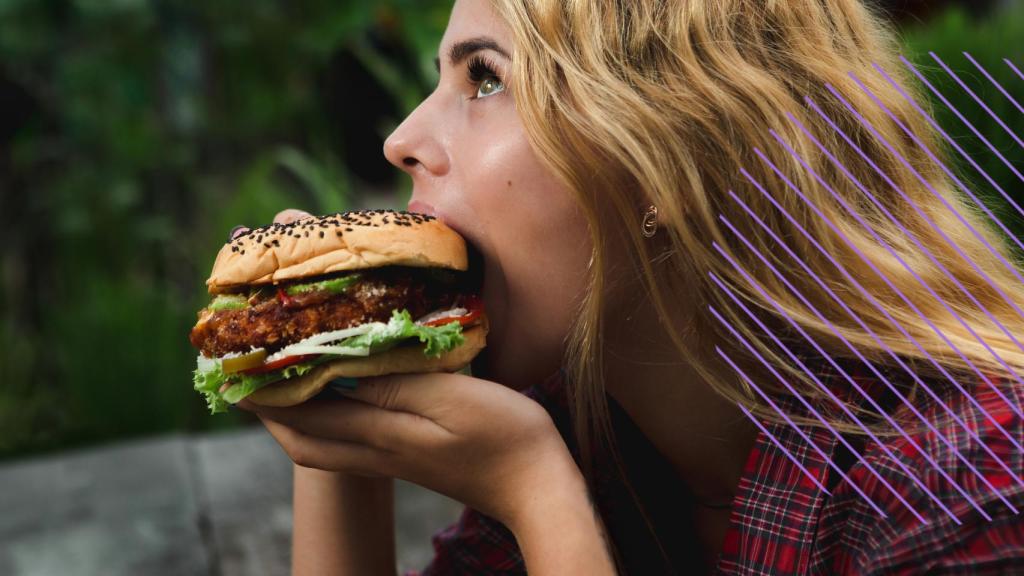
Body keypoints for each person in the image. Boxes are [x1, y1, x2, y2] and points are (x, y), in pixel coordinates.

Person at [233, 0, 1024, 574]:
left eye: (483, 79)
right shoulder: (592, 427)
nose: (401, 139)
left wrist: (536, 493)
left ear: (654, 161)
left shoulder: (969, 488)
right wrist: (336, 409)